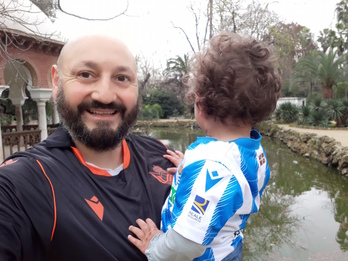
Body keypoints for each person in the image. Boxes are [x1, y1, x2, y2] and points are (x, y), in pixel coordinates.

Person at [0, 35, 175, 260]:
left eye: (121, 78)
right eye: (85, 75)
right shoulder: (19, 185)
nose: (104, 95)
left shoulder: (163, 156)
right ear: (56, 81)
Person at [128, 32, 282, 260]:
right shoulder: (253, 150)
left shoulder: (213, 166)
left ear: (199, 102)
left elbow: (185, 245)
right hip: (230, 247)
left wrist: (154, 246)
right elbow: (234, 182)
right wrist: (188, 167)